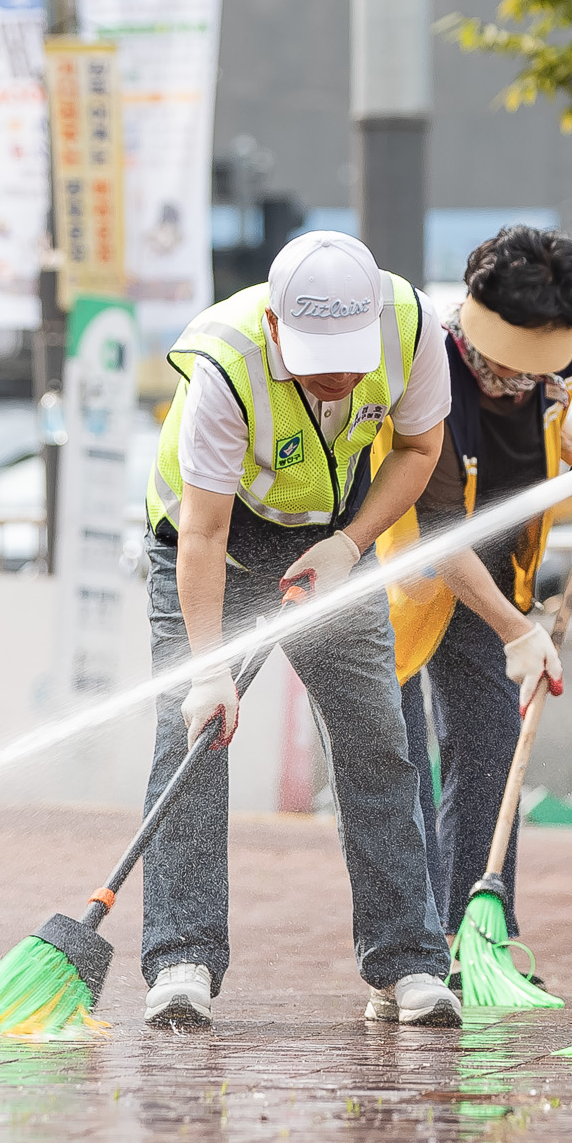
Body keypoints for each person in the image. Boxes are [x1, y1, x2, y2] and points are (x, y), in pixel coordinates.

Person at [139, 230, 473, 1029]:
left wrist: (349, 544)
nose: (342, 375)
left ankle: (408, 961)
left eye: (354, 354)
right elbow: (204, 534)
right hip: (211, 542)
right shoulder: (227, 361)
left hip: (331, 539)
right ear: (279, 326)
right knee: (190, 735)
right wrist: (210, 670)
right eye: (320, 354)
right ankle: (181, 956)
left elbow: (421, 447)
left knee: (377, 739)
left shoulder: (412, 326)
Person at [376, 225, 572, 953]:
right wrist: (518, 631)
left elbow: (547, 436)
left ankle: (477, 934)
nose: (521, 378)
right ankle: (410, 953)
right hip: (396, 581)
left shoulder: (552, 379)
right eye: (511, 360)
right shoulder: (424, 368)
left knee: (492, 753)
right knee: (393, 763)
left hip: (491, 583)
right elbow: (438, 531)